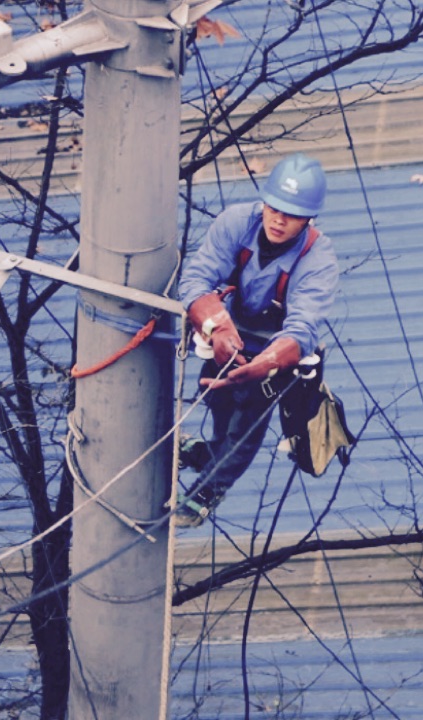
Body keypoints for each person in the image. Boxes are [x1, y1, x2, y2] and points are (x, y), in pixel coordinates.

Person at [174, 153, 340, 526]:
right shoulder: (237, 223)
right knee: (220, 405)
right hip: (226, 333)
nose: (279, 220)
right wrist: (216, 327)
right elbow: (196, 279)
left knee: (247, 423)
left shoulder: (317, 259)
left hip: (272, 350)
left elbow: (302, 328)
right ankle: (204, 453)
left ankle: (208, 489)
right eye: (275, 208)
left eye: (293, 214)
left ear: (308, 218)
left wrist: (265, 364)